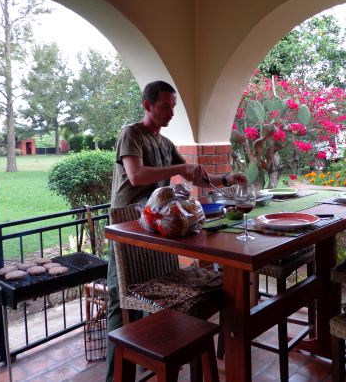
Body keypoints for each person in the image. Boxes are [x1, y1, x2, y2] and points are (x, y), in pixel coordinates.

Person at [105, 80, 246, 381]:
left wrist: (225, 180)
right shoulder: (132, 134)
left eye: (173, 107)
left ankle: (146, 359)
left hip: (156, 225)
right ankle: (114, 374)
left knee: (153, 293)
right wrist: (177, 171)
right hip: (127, 225)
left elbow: (194, 174)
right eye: (165, 106)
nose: (171, 113)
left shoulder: (165, 144)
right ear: (148, 105)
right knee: (121, 299)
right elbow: (136, 174)